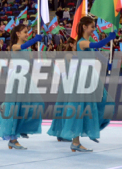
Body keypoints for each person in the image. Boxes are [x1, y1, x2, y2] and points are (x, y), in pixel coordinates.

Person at [49, 17, 116, 152]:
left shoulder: (87, 42)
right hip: (83, 78)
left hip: (90, 77)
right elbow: (97, 46)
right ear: (85, 27)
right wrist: (109, 38)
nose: (94, 29)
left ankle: (89, 131)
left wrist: (107, 62)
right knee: (80, 109)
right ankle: (76, 141)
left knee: (104, 103)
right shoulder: (82, 42)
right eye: (92, 26)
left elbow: (96, 53)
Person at [0, 24, 43, 150]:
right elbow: (22, 46)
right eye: (24, 32)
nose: (27, 34)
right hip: (17, 78)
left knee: (35, 104)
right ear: (18, 34)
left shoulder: (27, 49)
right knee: (15, 109)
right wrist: (34, 40)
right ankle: (13, 139)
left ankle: (23, 127)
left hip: (26, 78)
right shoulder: (14, 46)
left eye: (27, 32)